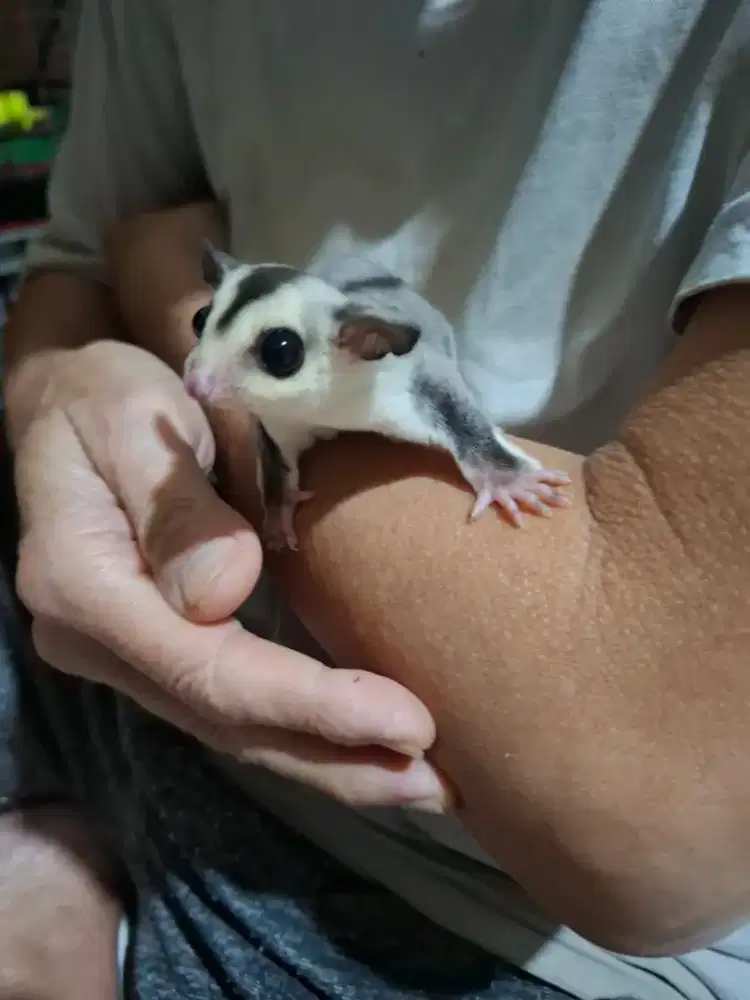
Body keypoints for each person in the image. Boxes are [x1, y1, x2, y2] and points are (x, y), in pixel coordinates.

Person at [2, 1, 750, 997]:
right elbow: (76, 269)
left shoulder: (391, 368)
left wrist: (159, 285)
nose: (200, 375)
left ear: (361, 350)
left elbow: (647, 813)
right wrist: (51, 388)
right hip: (106, 631)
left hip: (463, 878)